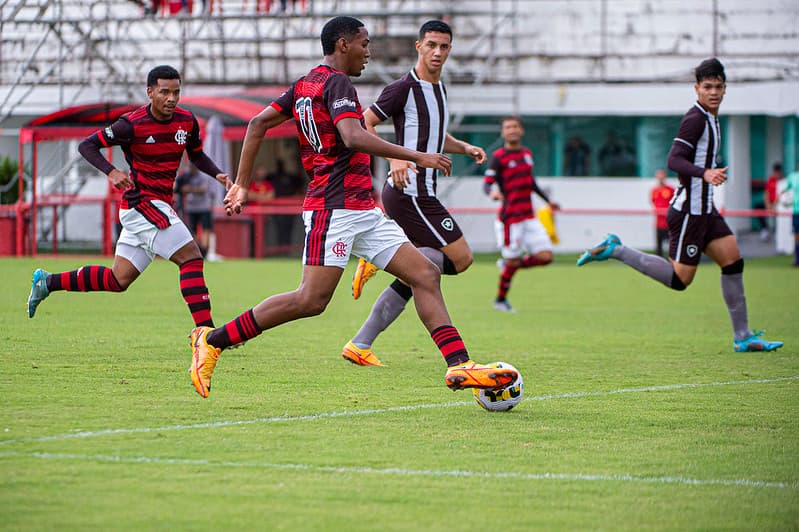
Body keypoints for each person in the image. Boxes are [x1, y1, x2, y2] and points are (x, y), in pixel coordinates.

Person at [186, 16, 517, 398]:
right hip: (334, 208)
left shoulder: (305, 83)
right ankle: (213, 341)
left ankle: (460, 365)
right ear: (344, 45)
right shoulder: (337, 82)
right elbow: (353, 135)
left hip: (362, 209)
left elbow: (258, 124)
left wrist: (242, 184)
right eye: (364, 43)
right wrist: (414, 156)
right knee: (310, 300)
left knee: (425, 273)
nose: (368, 52)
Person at [575, 58, 782, 352]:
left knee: (733, 261)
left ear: (725, 89)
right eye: (707, 87)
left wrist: (709, 171)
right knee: (679, 279)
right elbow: (674, 160)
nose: (713, 92)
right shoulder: (695, 119)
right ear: (696, 89)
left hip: (705, 209)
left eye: (718, 87)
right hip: (689, 212)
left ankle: (743, 337)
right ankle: (616, 249)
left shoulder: (712, 118)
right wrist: (705, 173)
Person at [27, 65, 229, 332]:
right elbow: (86, 145)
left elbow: (197, 154)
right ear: (150, 92)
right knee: (191, 257)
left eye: (176, 92)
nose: (171, 98)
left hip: (156, 206)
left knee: (117, 279)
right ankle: (207, 336)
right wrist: (111, 171)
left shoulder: (186, 121)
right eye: (164, 92)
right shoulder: (131, 124)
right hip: (142, 204)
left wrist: (219, 175)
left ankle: (48, 282)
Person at [342, 19, 487, 366]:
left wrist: (463, 147)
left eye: (444, 47)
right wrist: (394, 157)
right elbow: (364, 123)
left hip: (423, 193)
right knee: (462, 258)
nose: (438, 52)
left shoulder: (439, 89)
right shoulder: (402, 88)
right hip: (410, 193)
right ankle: (382, 258)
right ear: (418, 46)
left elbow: (433, 133)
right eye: (432, 45)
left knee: (427, 267)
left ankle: (360, 344)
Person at [484, 116, 559, 313]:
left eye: (515, 126)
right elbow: (487, 183)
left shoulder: (527, 154)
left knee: (546, 257)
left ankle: (508, 265)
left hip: (529, 216)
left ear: (521, 130)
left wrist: (548, 201)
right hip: (510, 219)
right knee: (513, 261)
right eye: (508, 127)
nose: (512, 130)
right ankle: (500, 300)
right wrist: (492, 193)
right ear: (503, 132)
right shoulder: (499, 157)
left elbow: (531, 182)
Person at [175, 164, 215, 257]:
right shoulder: (185, 176)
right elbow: (178, 188)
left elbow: (203, 189)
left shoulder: (202, 175)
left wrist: (191, 189)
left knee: (206, 229)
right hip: (191, 208)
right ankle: (199, 251)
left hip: (204, 207)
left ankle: (205, 251)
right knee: (192, 231)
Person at [650, 168, 674, 257]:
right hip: (658, 223)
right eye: (658, 175)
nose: (660, 177)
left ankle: (673, 262)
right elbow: (653, 202)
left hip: (669, 223)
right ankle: (658, 264)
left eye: (662, 175)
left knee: (672, 244)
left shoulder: (670, 190)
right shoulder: (654, 191)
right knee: (658, 246)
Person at [781, 164, 799, 266]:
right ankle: (797, 260)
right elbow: (785, 191)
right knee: (796, 236)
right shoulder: (793, 177)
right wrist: (781, 201)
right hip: (796, 211)